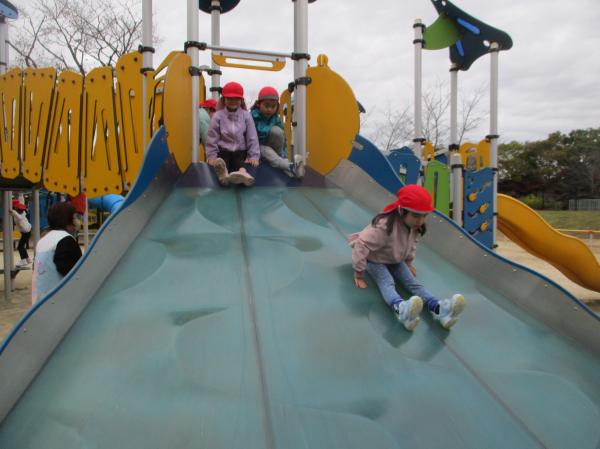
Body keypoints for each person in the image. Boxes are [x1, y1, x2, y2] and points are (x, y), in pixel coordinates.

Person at [350, 185, 466, 331]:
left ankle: (439, 309)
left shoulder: (414, 226)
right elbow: (362, 244)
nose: (420, 221)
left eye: (424, 216)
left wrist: (409, 263)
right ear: (402, 210)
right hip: (375, 260)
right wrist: (359, 272)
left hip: (394, 260)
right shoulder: (384, 226)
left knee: (413, 283)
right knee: (387, 282)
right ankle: (401, 309)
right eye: (416, 216)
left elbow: (411, 244)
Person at [205, 82, 260, 187]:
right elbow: (212, 137)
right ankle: (224, 175)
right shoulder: (218, 116)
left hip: (240, 150)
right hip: (223, 150)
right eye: (229, 98)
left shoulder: (246, 116)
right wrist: (211, 155)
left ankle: (243, 174)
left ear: (241, 100)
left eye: (236, 99)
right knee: (221, 162)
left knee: (240, 162)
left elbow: (252, 136)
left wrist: (254, 156)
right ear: (224, 100)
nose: (233, 101)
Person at [31, 202, 83, 304]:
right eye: (74, 217)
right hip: (60, 301)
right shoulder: (66, 240)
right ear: (67, 219)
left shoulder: (43, 240)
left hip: (40, 301)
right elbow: (75, 273)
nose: (77, 221)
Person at [251, 86, 301, 177]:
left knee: (277, 131)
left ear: (277, 106)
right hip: (257, 148)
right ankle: (288, 166)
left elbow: (283, 140)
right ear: (258, 104)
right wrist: (252, 155)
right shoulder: (252, 117)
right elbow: (249, 137)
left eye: (273, 106)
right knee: (266, 150)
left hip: (273, 150)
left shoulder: (276, 119)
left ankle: (286, 164)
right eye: (266, 106)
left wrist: (284, 154)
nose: (269, 109)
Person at [10, 200, 32, 267]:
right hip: (26, 231)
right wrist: (21, 194)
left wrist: (12, 211)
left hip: (26, 232)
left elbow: (19, 218)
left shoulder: (19, 213)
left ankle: (23, 261)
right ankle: (27, 259)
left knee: (20, 247)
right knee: (22, 246)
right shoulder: (21, 210)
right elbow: (21, 200)